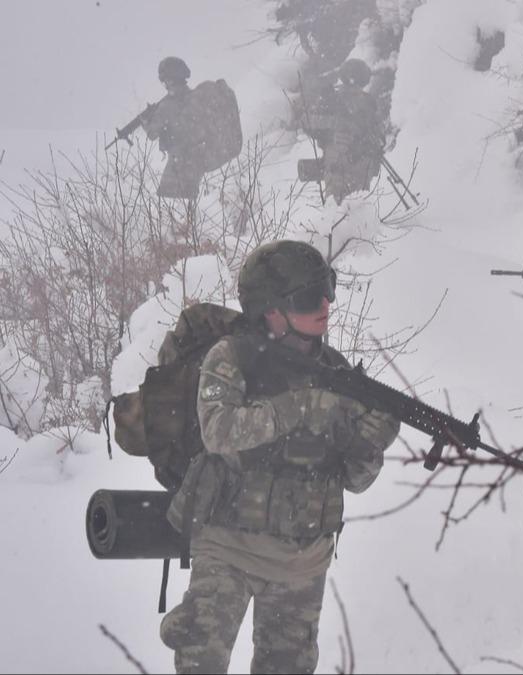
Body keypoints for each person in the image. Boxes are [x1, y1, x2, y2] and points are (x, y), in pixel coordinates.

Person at [159, 240, 402, 673]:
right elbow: (218, 430)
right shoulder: (231, 357)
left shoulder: (340, 374)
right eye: (311, 297)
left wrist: (372, 439)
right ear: (270, 311)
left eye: (328, 289)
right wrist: (302, 408)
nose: (326, 304)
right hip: (227, 546)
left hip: (301, 563)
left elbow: (355, 479)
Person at [323, 58, 384, 204]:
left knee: (343, 209)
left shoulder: (365, 103)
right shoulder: (364, 102)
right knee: (348, 209)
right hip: (346, 164)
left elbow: (377, 133)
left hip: (351, 163)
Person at [143, 57, 204, 200]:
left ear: (170, 79)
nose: (164, 84)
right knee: (194, 205)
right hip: (198, 162)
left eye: (164, 80)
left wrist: (146, 123)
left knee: (167, 204)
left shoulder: (166, 106)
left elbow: (152, 134)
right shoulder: (195, 97)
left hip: (177, 164)